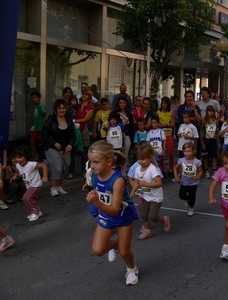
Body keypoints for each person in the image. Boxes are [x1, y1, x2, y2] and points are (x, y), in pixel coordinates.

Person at [86, 140, 139, 286]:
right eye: (90, 161)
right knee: (98, 250)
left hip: (122, 217)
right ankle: (117, 243)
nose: (92, 166)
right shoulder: (93, 174)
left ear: (109, 161)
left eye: (96, 162)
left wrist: (96, 203)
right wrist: (93, 199)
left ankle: (131, 268)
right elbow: (97, 189)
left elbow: (115, 209)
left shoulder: (118, 180)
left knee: (124, 252)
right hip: (105, 215)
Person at [130, 141, 171, 240]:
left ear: (150, 157)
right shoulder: (137, 169)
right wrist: (133, 191)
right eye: (138, 159)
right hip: (145, 196)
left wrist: (147, 184)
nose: (140, 161)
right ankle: (147, 231)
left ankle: (164, 219)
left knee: (153, 217)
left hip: (155, 197)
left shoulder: (153, 169)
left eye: (143, 159)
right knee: (143, 215)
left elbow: (159, 183)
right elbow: (136, 182)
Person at [42, 99, 76, 197]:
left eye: (63, 108)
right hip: (52, 148)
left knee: (64, 168)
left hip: (66, 148)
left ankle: (59, 186)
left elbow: (73, 135)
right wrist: (54, 143)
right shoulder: (50, 120)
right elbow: (44, 135)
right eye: (59, 108)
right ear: (56, 109)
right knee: (57, 167)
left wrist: (71, 144)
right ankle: (53, 188)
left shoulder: (69, 120)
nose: (61, 110)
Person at [11, 145, 49, 221]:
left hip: (36, 185)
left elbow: (44, 166)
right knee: (30, 199)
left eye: (20, 157)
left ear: (26, 156)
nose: (18, 160)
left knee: (26, 198)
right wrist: (16, 175)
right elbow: (21, 172)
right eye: (16, 157)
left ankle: (35, 212)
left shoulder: (31, 164)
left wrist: (45, 176)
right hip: (28, 185)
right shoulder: (18, 165)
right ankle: (34, 212)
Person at [173, 142, 203, 216]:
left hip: (193, 183)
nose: (187, 153)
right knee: (182, 195)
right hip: (184, 182)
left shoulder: (197, 162)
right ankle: (187, 200)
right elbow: (175, 168)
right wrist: (176, 176)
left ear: (193, 151)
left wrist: (197, 176)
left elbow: (201, 171)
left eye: (189, 151)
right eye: (185, 151)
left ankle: (191, 208)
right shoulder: (181, 160)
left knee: (192, 196)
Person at [74, 89, 95, 175]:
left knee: (84, 151)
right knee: (75, 151)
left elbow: (86, 119)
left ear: (89, 97)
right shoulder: (78, 106)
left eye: (86, 95)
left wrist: (74, 121)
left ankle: (85, 170)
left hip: (84, 131)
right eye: (83, 94)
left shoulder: (91, 107)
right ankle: (73, 171)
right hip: (75, 130)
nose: (84, 96)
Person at [199, 105, 219, 179]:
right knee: (205, 157)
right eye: (209, 111)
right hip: (206, 140)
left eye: (212, 111)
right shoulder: (204, 120)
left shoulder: (215, 121)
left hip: (213, 140)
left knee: (214, 157)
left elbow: (216, 133)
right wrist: (202, 143)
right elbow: (201, 132)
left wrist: (217, 143)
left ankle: (214, 171)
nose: (210, 113)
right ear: (207, 112)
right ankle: (207, 171)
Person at [157, 97, 175, 176]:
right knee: (162, 153)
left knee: (171, 153)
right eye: (163, 103)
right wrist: (167, 125)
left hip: (169, 135)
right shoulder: (158, 112)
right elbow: (158, 124)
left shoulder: (171, 112)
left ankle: (171, 169)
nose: (164, 105)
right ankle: (163, 169)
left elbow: (173, 124)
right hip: (161, 135)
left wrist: (164, 125)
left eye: (165, 103)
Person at [30, 91, 48, 159]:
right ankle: (33, 156)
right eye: (32, 98)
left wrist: (43, 126)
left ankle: (47, 157)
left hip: (41, 128)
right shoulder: (35, 106)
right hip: (36, 128)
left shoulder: (41, 106)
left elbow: (46, 116)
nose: (33, 99)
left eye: (35, 97)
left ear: (39, 98)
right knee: (32, 141)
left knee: (43, 143)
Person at [0, 135, 8, 210]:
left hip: (0, 163)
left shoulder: (1, 137)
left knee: (1, 183)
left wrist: (5, 163)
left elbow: (4, 150)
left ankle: (0, 201)